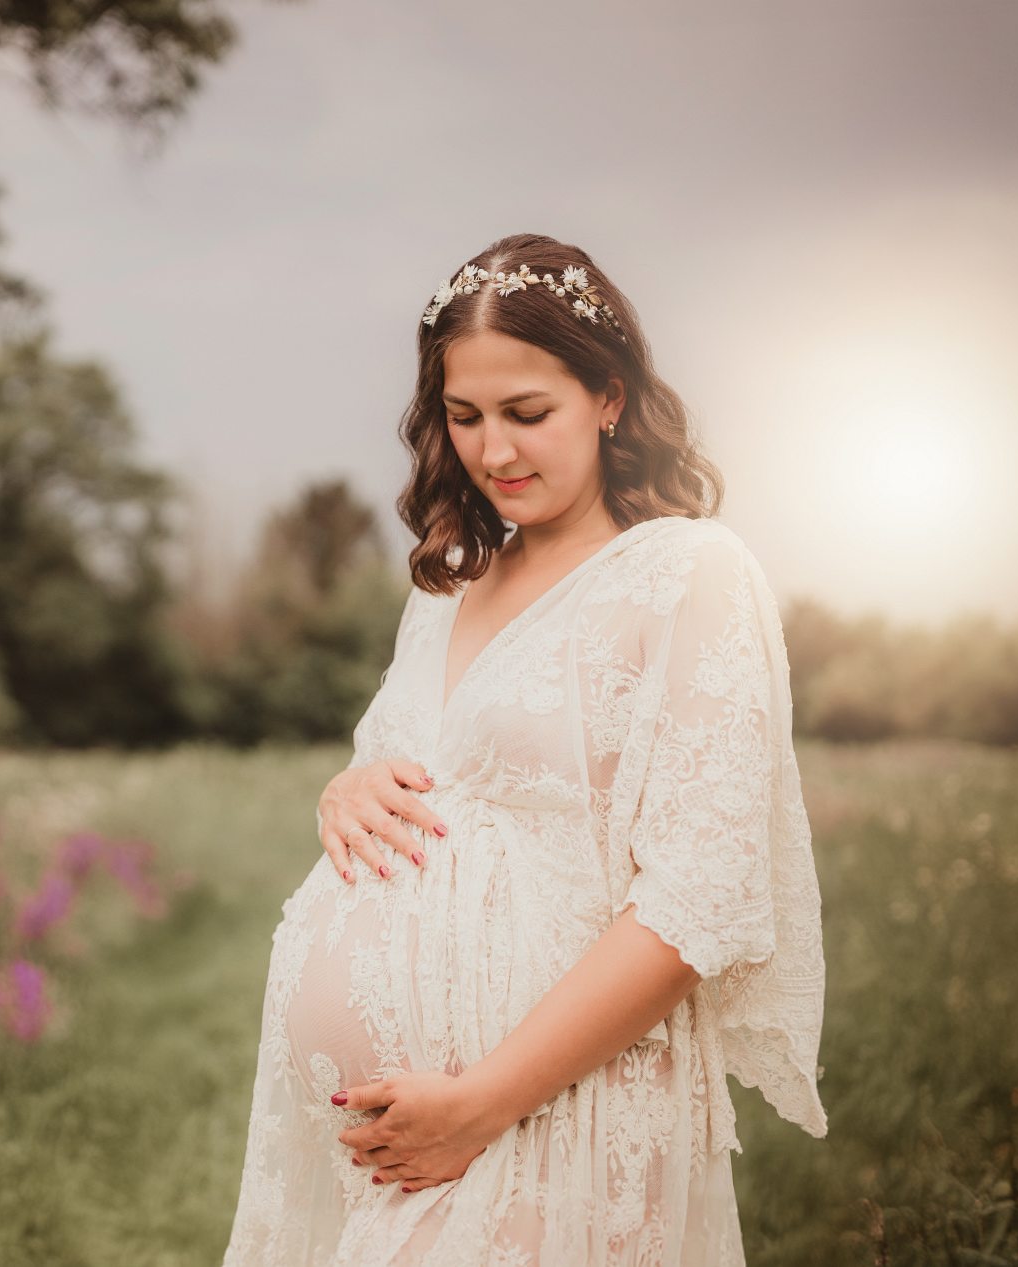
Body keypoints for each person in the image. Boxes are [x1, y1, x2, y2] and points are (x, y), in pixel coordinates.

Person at [220, 233, 828, 1266]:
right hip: (394, 1141)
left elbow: (699, 898)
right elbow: (395, 775)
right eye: (464, 416)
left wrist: (480, 1103)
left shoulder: (689, 576)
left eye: (525, 413)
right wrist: (343, 790)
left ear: (609, 397)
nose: (492, 450)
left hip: (557, 1110)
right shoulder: (446, 587)